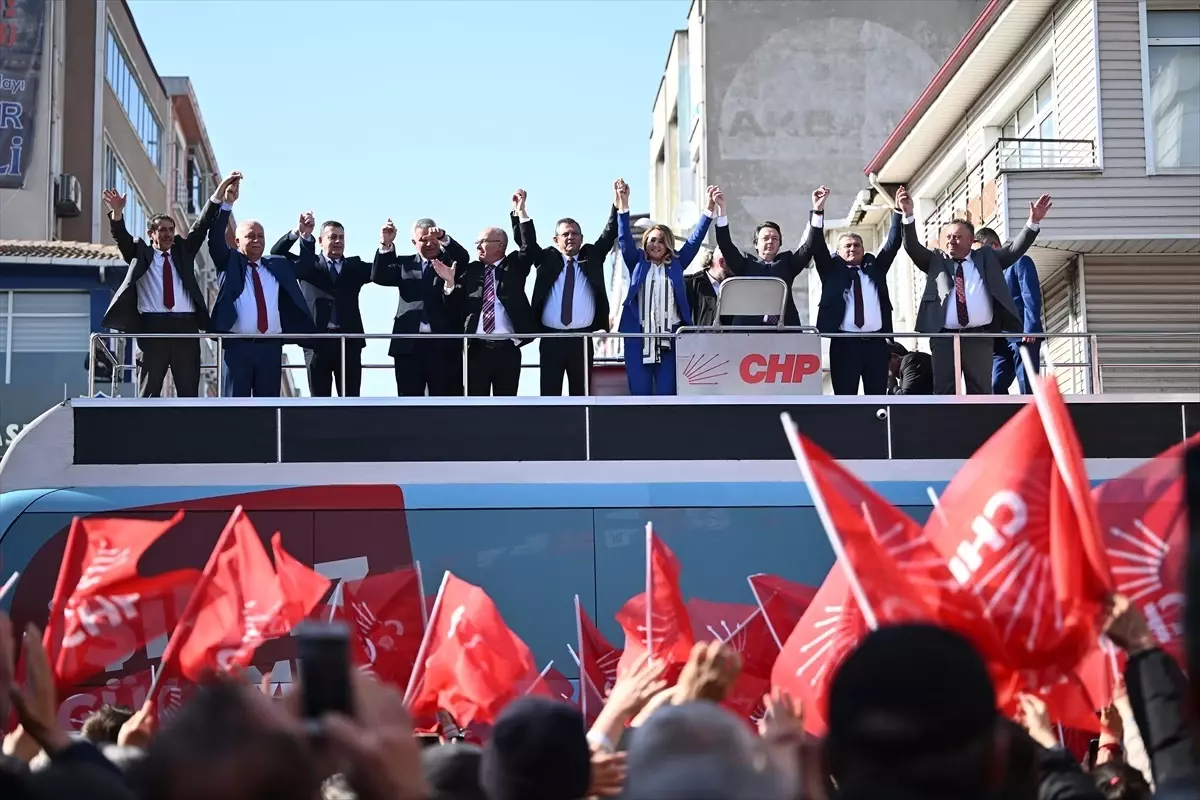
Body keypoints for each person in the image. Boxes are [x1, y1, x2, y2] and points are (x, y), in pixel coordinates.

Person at [896, 185, 1052, 394]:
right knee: (944, 391)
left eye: (957, 237)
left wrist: (1032, 223)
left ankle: (981, 428)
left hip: (978, 336)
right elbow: (912, 247)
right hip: (944, 337)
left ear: (971, 240)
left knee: (980, 392)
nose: (951, 240)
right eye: (948, 237)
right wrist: (907, 215)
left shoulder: (986, 258)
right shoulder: (936, 260)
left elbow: (1014, 251)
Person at [100, 177, 236, 397]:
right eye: (161, 230)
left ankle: (189, 430)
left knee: (189, 391)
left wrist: (220, 192)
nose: (167, 234)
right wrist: (117, 213)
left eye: (171, 230)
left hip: (186, 327)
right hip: (152, 328)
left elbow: (201, 224)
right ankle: (146, 430)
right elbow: (121, 237)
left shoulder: (184, 251)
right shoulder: (140, 253)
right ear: (151, 234)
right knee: (148, 392)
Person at [206, 173, 316, 397]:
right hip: (238, 347)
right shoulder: (230, 263)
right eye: (250, 236)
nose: (257, 240)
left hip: (270, 348)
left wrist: (304, 236)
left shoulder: (276, 265)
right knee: (235, 409)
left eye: (260, 236)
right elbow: (215, 238)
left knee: (268, 408)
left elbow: (305, 266)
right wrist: (227, 203)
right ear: (237, 242)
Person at [512, 188, 618, 397]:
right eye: (565, 234)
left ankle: (580, 431)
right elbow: (527, 243)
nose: (570, 237)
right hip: (551, 340)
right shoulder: (547, 259)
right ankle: (550, 430)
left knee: (582, 394)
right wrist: (521, 212)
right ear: (555, 239)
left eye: (575, 233)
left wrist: (618, 204)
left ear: (581, 237)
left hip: (582, 340)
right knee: (550, 395)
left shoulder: (592, 257)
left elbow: (609, 234)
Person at [615, 179, 715, 395]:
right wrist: (623, 206)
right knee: (640, 393)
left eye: (660, 240)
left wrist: (708, 211)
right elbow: (624, 240)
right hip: (638, 336)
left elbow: (694, 242)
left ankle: (666, 428)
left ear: (668, 243)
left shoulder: (677, 263)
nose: (655, 244)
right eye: (651, 240)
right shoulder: (637, 262)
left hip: (670, 337)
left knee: (667, 393)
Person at [808, 187, 904, 395]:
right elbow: (816, 245)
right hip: (844, 345)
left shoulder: (875, 269)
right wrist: (817, 211)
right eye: (847, 246)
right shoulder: (831, 271)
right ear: (838, 252)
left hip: (876, 345)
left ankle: (877, 430)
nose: (853, 249)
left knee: (878, 397)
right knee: (845, 399)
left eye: (857, 245)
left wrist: (898, 211)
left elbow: (892, 244)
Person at [270, 214, 371, 397]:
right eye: (333, 237)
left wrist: (386, 245)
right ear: (321, 240)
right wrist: (299, 233)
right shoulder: (308, 265)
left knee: (351, 402)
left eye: (341, 237)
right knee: (319, 401)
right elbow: (277, 253)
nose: (338, 241)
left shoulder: (354, 266)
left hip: (348, 342)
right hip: (316, 342)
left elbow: (380, 271)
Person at [373, 218, 472, 397]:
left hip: (443, 347)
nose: (429, 244)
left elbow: (463, 257)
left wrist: (443, 236)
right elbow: (379, 276)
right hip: (409, 346)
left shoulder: (449, 262)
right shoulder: (404, 264)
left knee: (446, 401)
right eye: (423, 240)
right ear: (413, 242)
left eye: (433, 240)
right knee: (408, 403)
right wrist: (386, 243)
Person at [711, 190, 817, 327]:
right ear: (756, 243)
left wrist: (818, 210)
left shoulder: (788, 263)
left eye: (775, 238)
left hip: (783, 330)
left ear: (780, 244)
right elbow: (725, 244)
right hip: (749, 332)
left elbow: (809, 247)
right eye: (765, 238)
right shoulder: (745, 264)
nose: (770, 242)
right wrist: (722, 209)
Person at [456, 218, 536, 396]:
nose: (477, 246)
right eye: (477, 242)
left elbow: (528, 247)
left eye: (482, 242)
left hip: (507, 349)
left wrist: (520, 214)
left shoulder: (514, 266)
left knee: (506, 405)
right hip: (477, 349)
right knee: (475, 405)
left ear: (499, 246)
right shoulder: (471, 270)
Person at [973, 227, 1044, 395]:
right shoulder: (984, 275)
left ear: (995, 246)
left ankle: (1032, 419)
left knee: (1026, 385)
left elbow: (1030, 296)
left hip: (1023, 335)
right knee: (994, 386)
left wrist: (1031, 328)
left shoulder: (1020, 262)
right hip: (1000, 341)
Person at [684, 246, 733, 327]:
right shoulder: (690, 284)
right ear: (722, 262)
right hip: (697, 338)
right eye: (735, 263)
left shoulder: (736, 286)